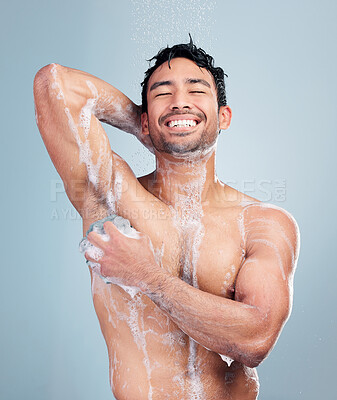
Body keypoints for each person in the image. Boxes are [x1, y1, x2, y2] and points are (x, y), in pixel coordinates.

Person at [33, 38, 300, 400]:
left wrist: (147, 277)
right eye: (163, 93)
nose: (179, 101)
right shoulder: (109, 195)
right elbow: (55, 84)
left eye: (196, 89)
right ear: (143, 119)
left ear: (224, 116)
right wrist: (154, 126)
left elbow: (256, 339)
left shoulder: (262, 223)